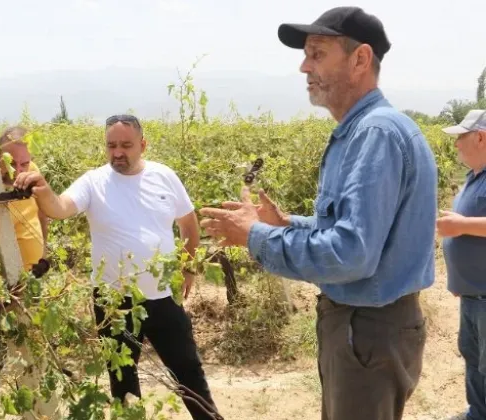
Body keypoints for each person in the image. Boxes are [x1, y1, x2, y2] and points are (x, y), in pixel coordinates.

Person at [198, 7, 437, 420]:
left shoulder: (374, 134)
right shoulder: (363, 130)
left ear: (360, 59)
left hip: (366, 329)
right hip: (363, 327)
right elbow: (357, 229)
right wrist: (288, 225)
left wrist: (256, 236)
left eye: (317, 53)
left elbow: (351, 254)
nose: (303, 66)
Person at [13, 114, 219, 420]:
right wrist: (42, 189)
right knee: (123, 384)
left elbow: (189, 224)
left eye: (126, 145)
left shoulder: (164, 176)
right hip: (114, 303)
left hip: (163, 297)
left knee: (189, 373)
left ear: (143, 145)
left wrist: (188, 267)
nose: (118, 152)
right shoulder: (94, 182)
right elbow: (60, 208)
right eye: (111, 145)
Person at [0, 126, 52, 419]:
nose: (19, 169)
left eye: (24, 163)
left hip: (32, 278)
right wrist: (0, 285)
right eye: (12, 163)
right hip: (5, 282)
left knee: (32, 344)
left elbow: (43, 212)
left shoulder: (31, 173)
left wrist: (43, 256)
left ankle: (34, 408)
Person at [436, 110, 486, 420]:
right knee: (473, 360)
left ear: (481, 137)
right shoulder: (474, 177)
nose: (456, 145)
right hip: (472, 296)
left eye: (460, 138)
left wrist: (463, 224)